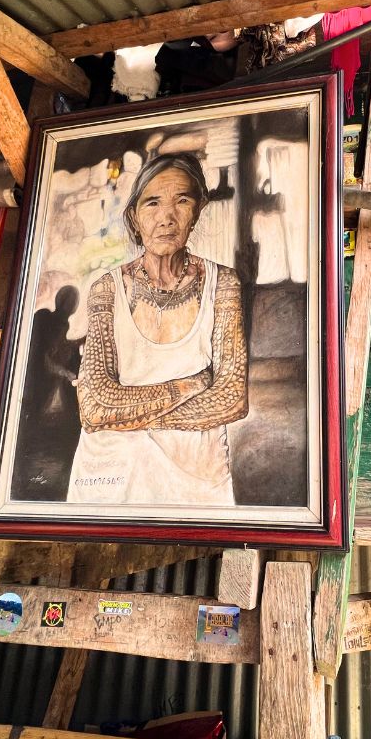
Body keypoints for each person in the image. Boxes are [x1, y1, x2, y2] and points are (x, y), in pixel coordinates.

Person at [66, 152, 248, 506]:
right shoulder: (107, 288)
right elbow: (93, 406)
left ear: (197, 210)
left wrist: (124, 410)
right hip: (109, 470)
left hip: (196, 470)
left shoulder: (222, 283)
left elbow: (230, 399)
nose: (166, 217)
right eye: (152, 203)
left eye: (182, 201)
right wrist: (192, 384)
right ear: (134, 216)